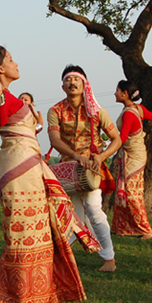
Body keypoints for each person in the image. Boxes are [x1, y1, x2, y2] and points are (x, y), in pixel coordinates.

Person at [0, 45, 99, 303]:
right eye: (10, 59)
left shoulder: (11, 97)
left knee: (37, 230)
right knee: (20, 234)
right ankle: (14, 295)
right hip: (16, 171)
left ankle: (21, 293)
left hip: (30, 167)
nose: (15, 62)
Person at [47, 65, 121, 272]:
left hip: (92, 170)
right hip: (67, 170)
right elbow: (54, 139)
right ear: (63, 86)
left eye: (76, 79)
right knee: (70, 215)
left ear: (84, 84)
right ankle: (63, 257)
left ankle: (109, 259)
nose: (72, 83)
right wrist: (76, 156)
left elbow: (117, 139)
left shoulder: (97, 110)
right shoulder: (55, 110)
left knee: (94, 211)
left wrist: (101, 156)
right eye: (68, 80)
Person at [111, 79, 152, 239]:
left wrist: (106, 148)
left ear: (125, 94)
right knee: (126, 189)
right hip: (136, 153)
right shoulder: (137, 109)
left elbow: (123, 138)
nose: (115, 93)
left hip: (133, 156)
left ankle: (145, 229)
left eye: (117, 90)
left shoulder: (128, 113)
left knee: (131, 192)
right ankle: (122, 227)